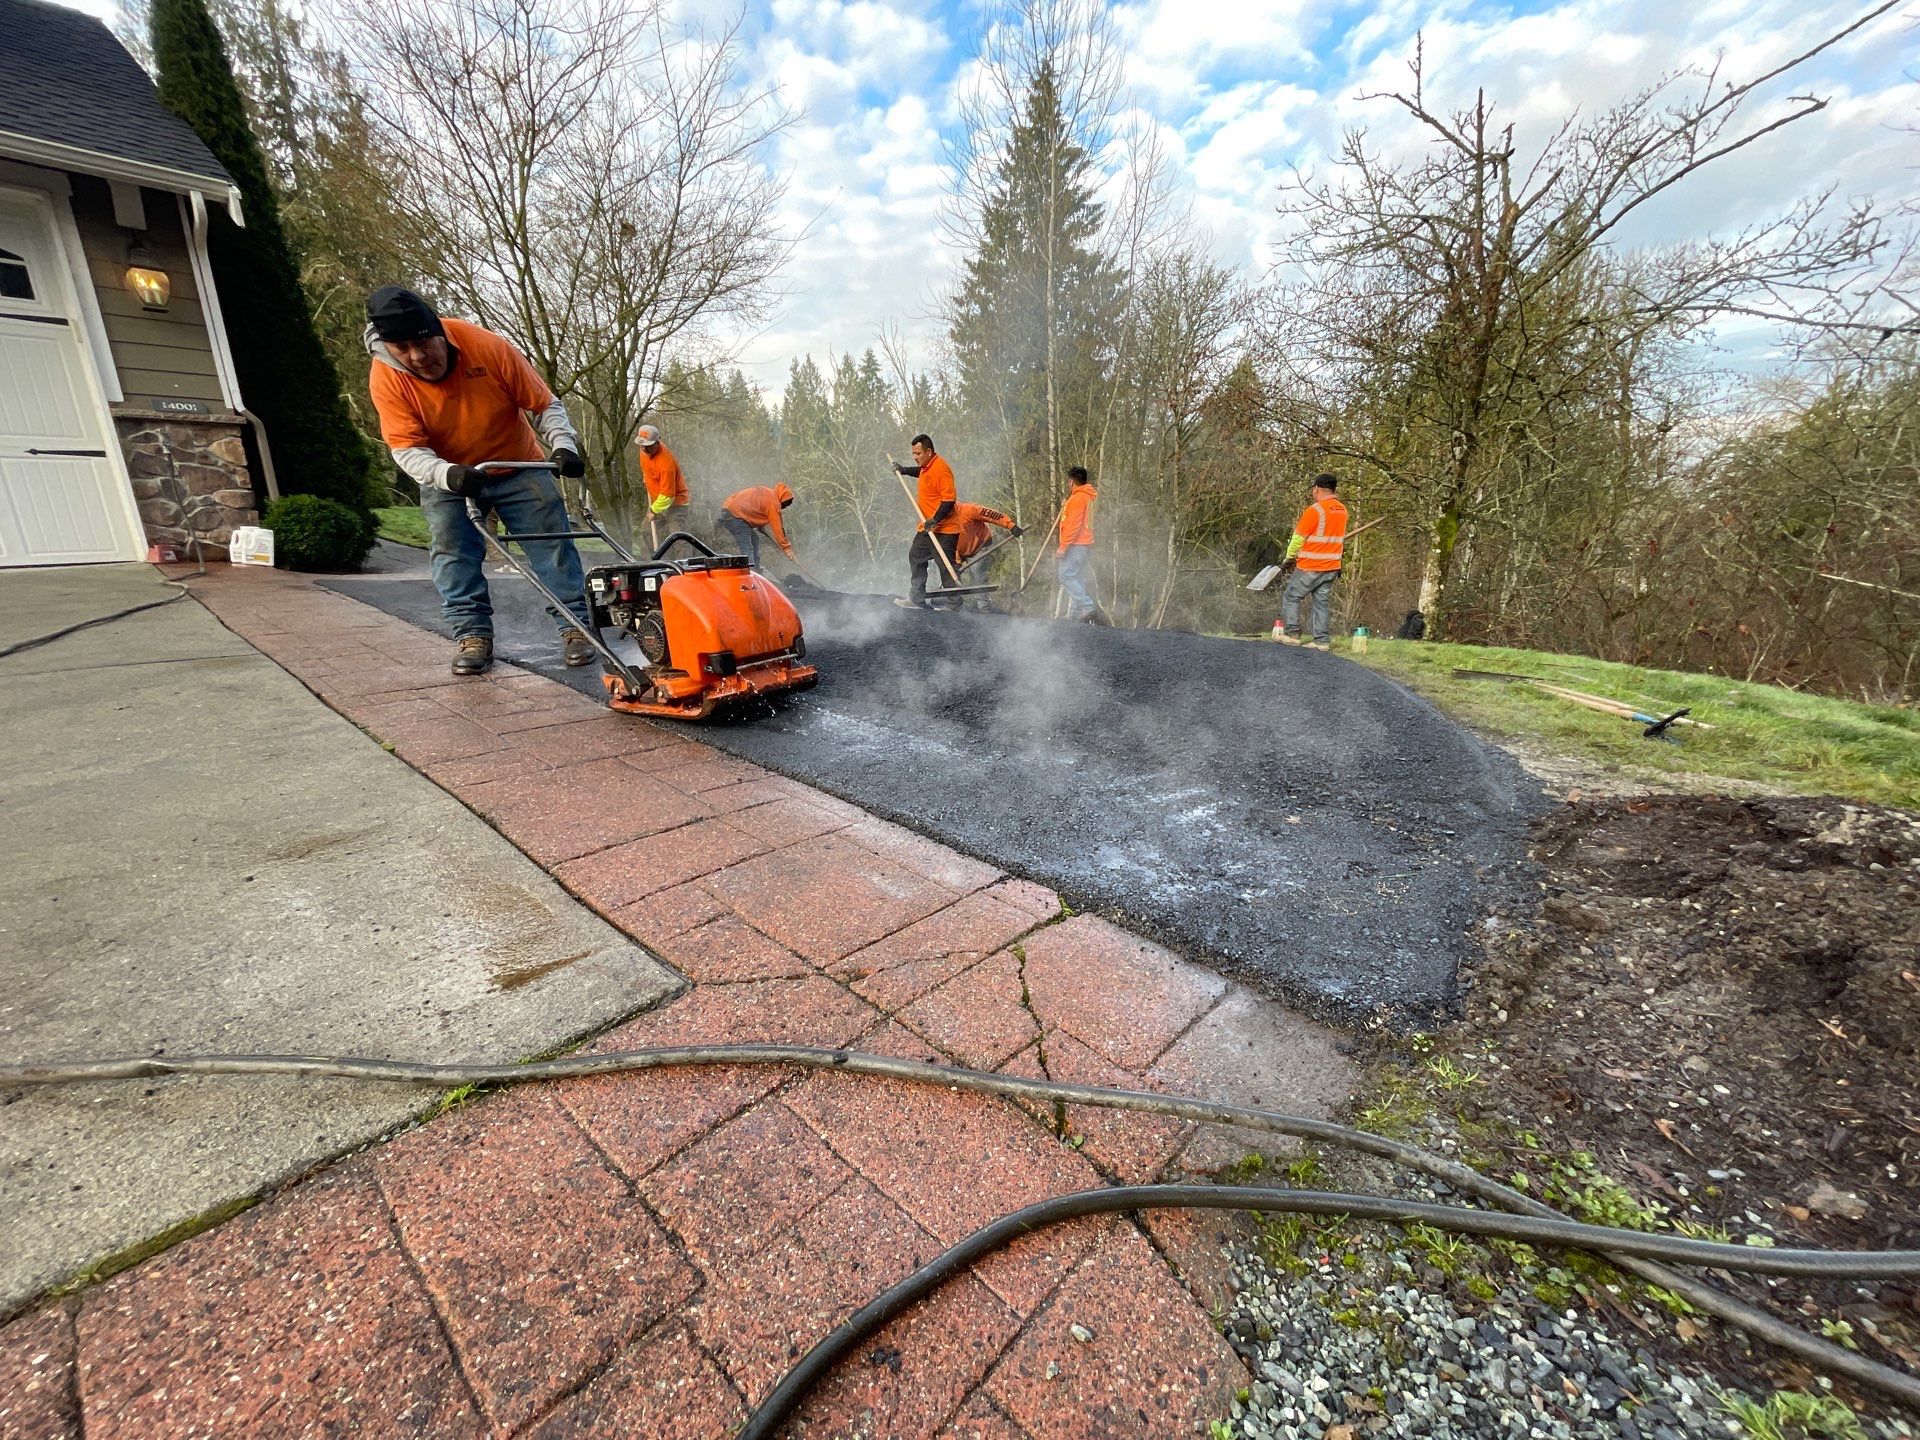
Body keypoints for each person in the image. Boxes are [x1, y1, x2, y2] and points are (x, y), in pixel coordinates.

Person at [365, 286, 594, 675]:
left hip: (518, 464)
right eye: (402, 348)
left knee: (552, 544)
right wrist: (449, 475)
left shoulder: (486, 347)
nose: (418, 356)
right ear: (387, 346)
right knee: (453, 553)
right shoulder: (387, 378)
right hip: (447, 473)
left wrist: (564, 446)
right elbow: (405, 450)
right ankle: (472, 635)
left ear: (438, 330)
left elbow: (544, 404)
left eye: (424, 342)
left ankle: (576, 628)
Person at [1274, 473, 1348, 650]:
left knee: (1291, 596)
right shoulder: (1342, 510)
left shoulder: (1314, 510)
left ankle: (1292, 635)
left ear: (1316, 489)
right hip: (1332, 567)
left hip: (1311, 566)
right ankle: (1321, 640)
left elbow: (1298, 539)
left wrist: (1289, 557)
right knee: (1321, 602)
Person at [891, 433, 963, 609]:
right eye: (913, 454)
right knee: (916, 556)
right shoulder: (926, 466)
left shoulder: (941, 469)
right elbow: (921, 473)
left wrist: (935, 520)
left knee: (946, 569)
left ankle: (955, 605)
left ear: (929, 451)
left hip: (945, 529)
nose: (915, 457)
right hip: (927, 528)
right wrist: (905, 470)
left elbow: (949, 500)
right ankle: (916, 600)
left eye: (918, 454)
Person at [718, 483, 796, 570]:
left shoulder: (769, 493)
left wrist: (760, 526)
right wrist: (787, 549)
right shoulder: (773, 503)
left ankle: (756, 569)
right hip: (733, 516)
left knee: (755, 540)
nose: (786, 506)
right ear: (782, 498)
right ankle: (751, 572)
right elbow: (777, 529)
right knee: (747, 548)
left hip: (731, 510)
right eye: (787, 503)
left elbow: (756, 507)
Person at [1056, 466, 1098, 621]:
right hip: (1085, 544)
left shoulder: (1077, 498)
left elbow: (1073, 524)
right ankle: (1074, 615)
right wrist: (1067, 506)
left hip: (1076, 545)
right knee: (1078, 578)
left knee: (1065, 575)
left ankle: (1088, 607)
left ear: (1071, 481)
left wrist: (1063, 547)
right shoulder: (1088, 497)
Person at [635, 424, 690, 532]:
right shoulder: (644, 450)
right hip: (658, 502)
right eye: (642, 445)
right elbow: (647, 467)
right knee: (646, 531)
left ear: (657, 442)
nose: (645, 448)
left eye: (649, 446)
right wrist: (646, 477)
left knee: (678, 538)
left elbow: (667, 496)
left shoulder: (666, 464)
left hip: (676, 504)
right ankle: (651, 550)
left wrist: (653, 511)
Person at [953, 501, 1022, 569]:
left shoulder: (967, 510)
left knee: (978, 577)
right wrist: (957, 560)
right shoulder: (943, 522)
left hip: (980, 549)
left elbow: (990, 514)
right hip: (961, 554)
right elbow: (949, 543)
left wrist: (1010, 525)